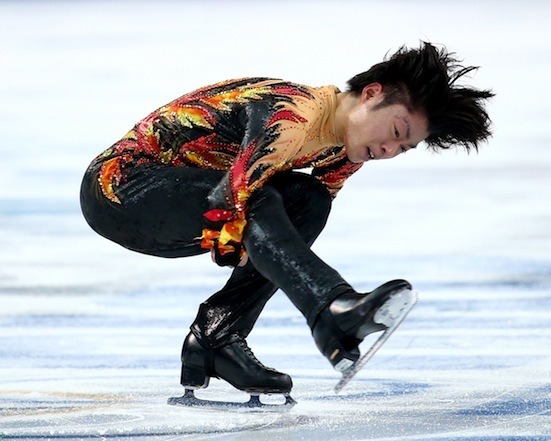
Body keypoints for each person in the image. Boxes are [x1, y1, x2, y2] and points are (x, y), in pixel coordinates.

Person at [80, 42, 493, 400]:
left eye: (404, 147)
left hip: (193, 202)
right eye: (396, 130)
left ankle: (217, 336)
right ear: (371, 94)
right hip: (120, 189)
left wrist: (250, 243)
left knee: (310, 201)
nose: (388, 150)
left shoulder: (345, 150)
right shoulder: (293, 113)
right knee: (261, 200)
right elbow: (229, 201)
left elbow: (287, 224)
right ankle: (331, 309)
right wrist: (238, 245)